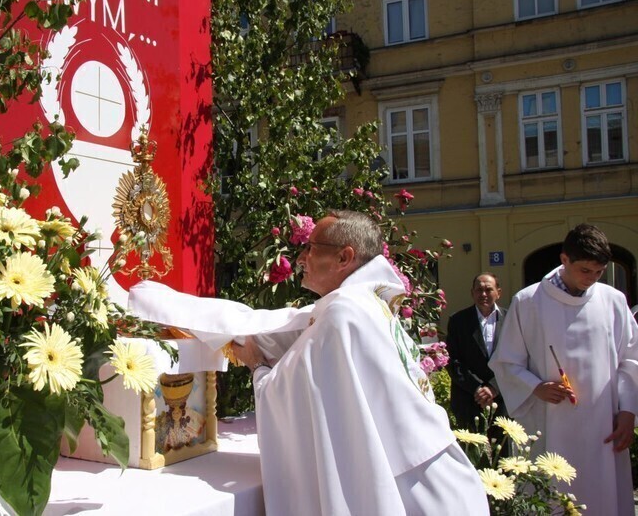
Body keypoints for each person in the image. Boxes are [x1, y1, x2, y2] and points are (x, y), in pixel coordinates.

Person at [230, 211, 488, 516]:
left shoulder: (344, 313)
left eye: (310, 247)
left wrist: (256, 364)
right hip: (437, 476)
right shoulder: (365, 304)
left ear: (344, 257)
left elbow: (286, 394)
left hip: (415, 492)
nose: (300, 258)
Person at [490, 223, 638, 515]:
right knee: (552, 499)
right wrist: (535, 386)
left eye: (598, 272)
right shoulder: (529, 301)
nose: (592, 279)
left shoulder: (613, 301)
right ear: (564, 259)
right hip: (550, 424)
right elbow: (506, 361)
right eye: (585, 270)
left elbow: (630, 360)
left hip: (604, 426)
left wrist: (628, 411)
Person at [445, 273, 508, 431]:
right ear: (472, 293)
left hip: (501, 400)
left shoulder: (511, 320)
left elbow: (516, 359)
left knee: (502, 454)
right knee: (471, 453)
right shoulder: (458, 321)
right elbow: (453, 361)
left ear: (498, 292)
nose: (483, 294)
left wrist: (494, 387)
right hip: (468, 400)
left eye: (489, 289)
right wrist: (478, 389)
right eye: (479, 290)